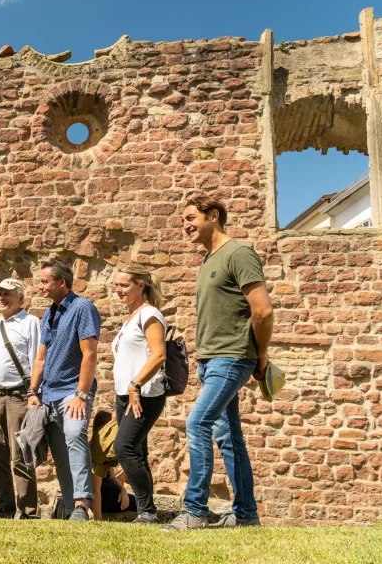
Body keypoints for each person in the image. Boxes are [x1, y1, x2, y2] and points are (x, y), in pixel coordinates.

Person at [163, 195, 273, 530]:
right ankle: (246, 514)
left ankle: (195, 511)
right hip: (211, 360)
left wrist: (261, 354)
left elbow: (262, 310)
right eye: (182, 220)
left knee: (197, 423)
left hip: (233, 357)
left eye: (190, 218)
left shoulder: (238, 254)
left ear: (213, 216)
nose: (185, 225)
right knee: (229, 437)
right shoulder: (209, 260)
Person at [27, 259, 100, 521]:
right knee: (60, 455)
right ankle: (71, 510)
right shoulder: (49, 314)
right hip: (49, 395)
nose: (40, 286)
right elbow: (41, 358)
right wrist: (32, 392)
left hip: (73, 391)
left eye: (44, 281)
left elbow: (89, 354)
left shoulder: (83, 308)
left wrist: (81, 395)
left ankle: (81, 504)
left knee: (75, 435)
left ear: (61, 282)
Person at [111, 264, 168, 524]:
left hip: (144, 393)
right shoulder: (130, 318)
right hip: (125, 395)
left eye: (124, 285)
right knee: (136, 452)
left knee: (123, 448)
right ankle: (147, 512)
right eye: (117, 285)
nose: (118, 290)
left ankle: (147, 511)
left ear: (141, 285)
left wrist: (135, 384)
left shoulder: (150, 314)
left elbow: (159, 355)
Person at [0, 278, 40, 519]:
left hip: (17, 397)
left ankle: (28, 512)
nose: (1, 298)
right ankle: (4, 509)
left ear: (21, 298)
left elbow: (37, 360)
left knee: (21, 457)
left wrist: (33, 393)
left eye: (7, 294)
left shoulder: (30, 323)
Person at [89, 410, 137, 521]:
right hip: (104, 498)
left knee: (134, 500)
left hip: (111, 492)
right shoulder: (97, 450)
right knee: (136, 503)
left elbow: (112, 476)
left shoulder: (105, 449)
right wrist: (98, 519)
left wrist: (123, 490)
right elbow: (96, 489)